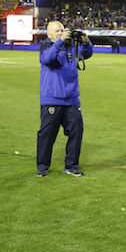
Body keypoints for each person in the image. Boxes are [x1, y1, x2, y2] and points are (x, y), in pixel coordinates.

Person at [36, 21, 93, 177]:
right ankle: (42, 167)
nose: (61, 33)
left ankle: (72, 166)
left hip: (72, 99)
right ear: (49, 34)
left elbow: (87, 54)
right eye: (57, 31)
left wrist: (86, 41)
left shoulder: (71, 46)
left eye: (62, 30)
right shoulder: (46, 47)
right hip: (52, 98)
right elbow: (47, 59)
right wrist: (60, 42)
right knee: (47, 135)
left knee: (76, 132)